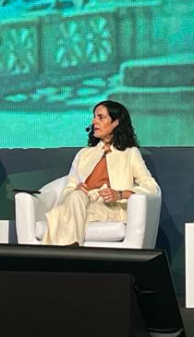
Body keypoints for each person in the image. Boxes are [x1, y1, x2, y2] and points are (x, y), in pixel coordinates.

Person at [42, 100, 159, 246]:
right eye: (94, 117)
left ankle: (61, 253)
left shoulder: (130, 153)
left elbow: (151, 187)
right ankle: (70, 248)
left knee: (61, 215)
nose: (94, 121)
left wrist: (120, 194)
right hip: (81, 203)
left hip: (109, 207)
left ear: (115, 122)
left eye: (100, 117)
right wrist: (76, 190)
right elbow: (68, 189)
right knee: (76, 196)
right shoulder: (84, 154)